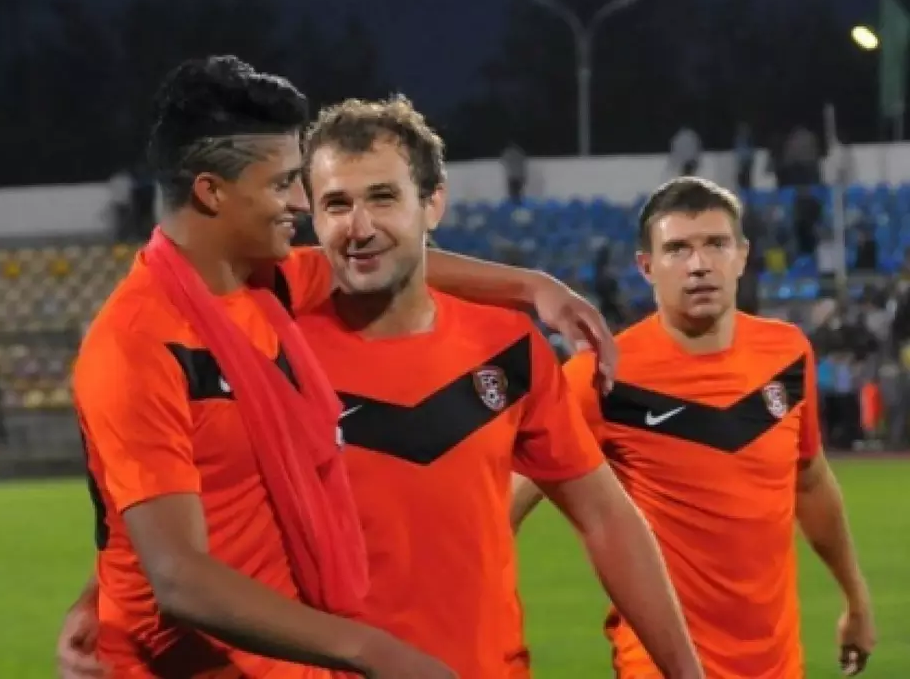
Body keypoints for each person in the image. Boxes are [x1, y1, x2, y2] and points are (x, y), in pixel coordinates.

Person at [58, 93, 702, 679]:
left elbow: (606, 519)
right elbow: (177, 490)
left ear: (433, 204)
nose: (359, 226)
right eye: (336, 204)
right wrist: (104, 594)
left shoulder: (507, 350)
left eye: (384, 198)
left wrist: (686, 674)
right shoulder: (263, 331)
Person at [71, 55, 457, 678]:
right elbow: (178, 577)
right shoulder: (137, 343)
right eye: (283, 184)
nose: (302, 203)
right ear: (211, 192)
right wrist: (372, 650)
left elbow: (387, 260)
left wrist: (536, 289)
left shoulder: (265, 285)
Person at [513, 177, 877, 679]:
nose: (699, 264)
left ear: (742, 256)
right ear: (647, 267)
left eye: (715, 244)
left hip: (775, 662)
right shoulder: (600, 377)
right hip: (659, 664)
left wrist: (856, 599)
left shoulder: (787, 354)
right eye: (677, 249)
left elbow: (810, 480)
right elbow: (500, 506)